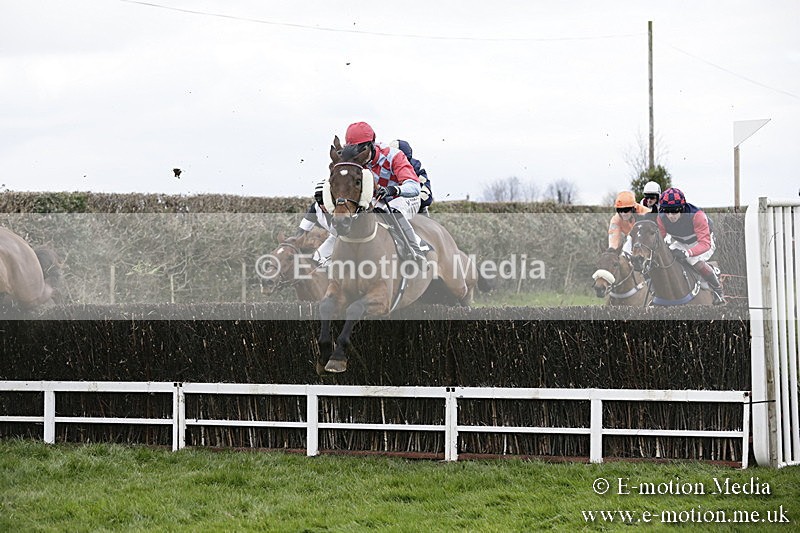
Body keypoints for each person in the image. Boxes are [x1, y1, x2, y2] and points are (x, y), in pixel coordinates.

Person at [344, 121, 430, 264]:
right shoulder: (354, 161)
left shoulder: (394, 155)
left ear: (371, 144)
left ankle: (416, 250)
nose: (358, 158)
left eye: (361, 151)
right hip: (379, 200)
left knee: (394, 211)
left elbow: (414, 187)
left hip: (404, 197)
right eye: (354, 152)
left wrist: (393, 189)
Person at [657, 187, 725, 305]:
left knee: (692, 259)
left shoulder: (697, 216)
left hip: (704, 242)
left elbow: (705, 244)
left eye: (674, 211)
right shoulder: (661, 218)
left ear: (682, 208)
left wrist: (687, 253)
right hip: (682, 242)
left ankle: (718, 290)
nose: (670, 216)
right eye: (667, 211)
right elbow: (660, 240)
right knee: (667, 257)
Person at [390, 139, 432, 215]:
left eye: (405, 159)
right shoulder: (383, 168)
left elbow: (426, 197)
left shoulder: (417, 167)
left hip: (413, 207)